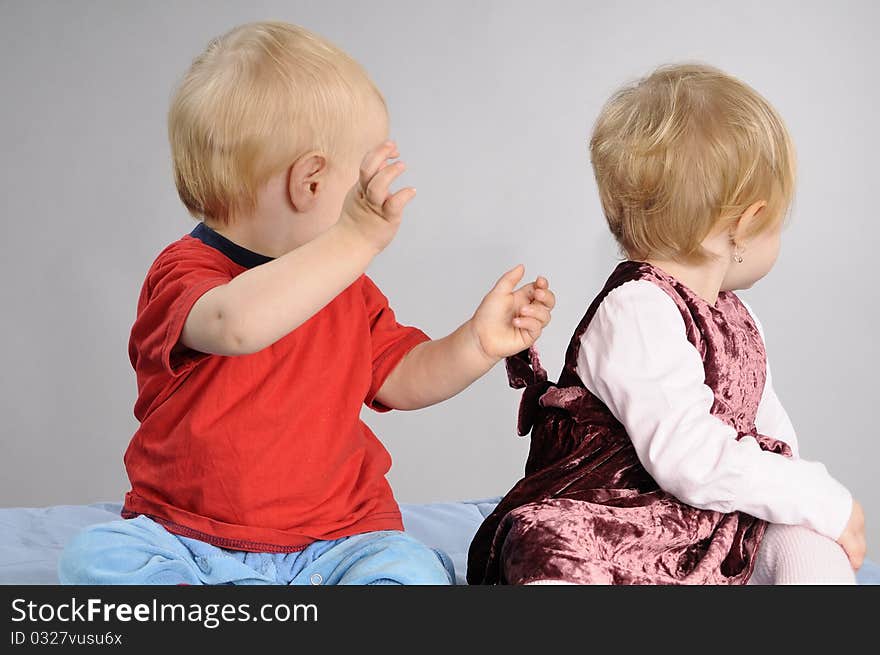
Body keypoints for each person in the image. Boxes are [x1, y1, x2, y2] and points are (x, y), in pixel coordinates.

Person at [58, 21, 555, 586]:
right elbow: (237, 323)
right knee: (95, 560)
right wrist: (355, 238)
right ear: (312, 183)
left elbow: (403, 378)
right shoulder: (184, 274)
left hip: (338, 541)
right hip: (187, 537)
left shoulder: (347, 290)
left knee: (409, 571)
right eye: (361, 178)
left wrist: (476, 343)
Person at [468, 63, 865, 585]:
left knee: (807, 540)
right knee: (548, 546)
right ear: (747, 224)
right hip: (611, 520)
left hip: (706, 528)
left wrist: (812, 507)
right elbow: (690, 458)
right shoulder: (636, 309)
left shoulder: (738, 321)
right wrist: (825, 498)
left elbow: (773, 442)